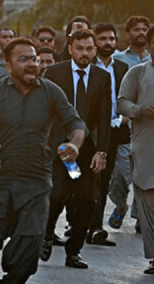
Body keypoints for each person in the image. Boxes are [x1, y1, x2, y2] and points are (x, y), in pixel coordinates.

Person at [0, 38, 88, 284]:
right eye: (23, 59)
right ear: (8, 64)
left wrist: (75, 144)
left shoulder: (51, 92)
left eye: (34, 58)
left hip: (36, 181)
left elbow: (76, 123)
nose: (31, 64)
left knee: (30, 247)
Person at [40, 28, 111, 269]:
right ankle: (46, 234)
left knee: (86, 200)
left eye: (89, 49)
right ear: (70, 49)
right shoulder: (54, 72)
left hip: (86, 150)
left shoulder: (102, 77)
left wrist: (102, 151)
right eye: (79, 49)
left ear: (94, 50)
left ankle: (74, 251)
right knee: (57, 193)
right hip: (59, 147)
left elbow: (104, 117)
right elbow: (45, 111)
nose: (84, 53)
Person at [118, 26, 154, 275]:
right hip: (146, 149)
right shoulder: (137, 72)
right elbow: (122, 103)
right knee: (149, 204)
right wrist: (140, 110)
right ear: (149, 46)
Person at [88, 23, 129, 247]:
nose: (108, 43)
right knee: (84, 179)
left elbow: (129, 97)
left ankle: (95, 227)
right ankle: (82, 223)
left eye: (111, 39)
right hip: (88, 132)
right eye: (103, 38)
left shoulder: (122, 68)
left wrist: (125, 117)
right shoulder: (86, 66)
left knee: (103, 180)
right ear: (95, 42)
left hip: (115, 130)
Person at [109, 16, 150, 232]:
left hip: (149, 129)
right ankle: (120, 205)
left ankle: (143, 216)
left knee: (147, 175)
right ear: (128, 34)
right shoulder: (117, 60)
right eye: (136, 29)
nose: (141, 32)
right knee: (120, 174)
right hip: (124, 127)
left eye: (144, 29)